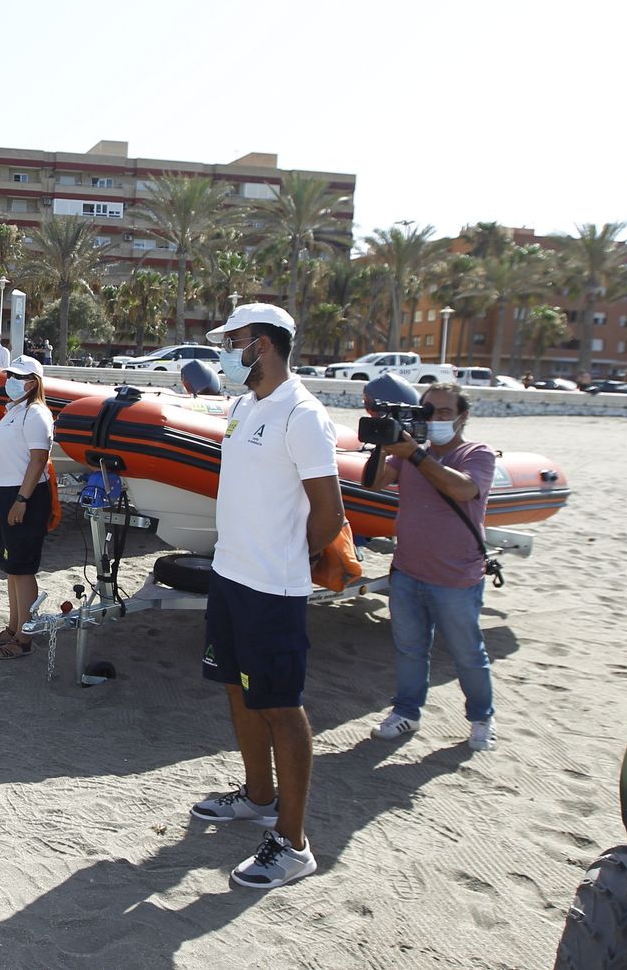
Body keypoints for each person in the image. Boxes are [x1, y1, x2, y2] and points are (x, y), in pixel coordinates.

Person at [189, 303, 344, 889]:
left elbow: (328, 513)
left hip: (272, 587)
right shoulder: (245, 406)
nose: (225, 353)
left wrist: (290, 558)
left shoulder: (302, 414)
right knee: (236, 687)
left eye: (234, 342)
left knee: (280, 705)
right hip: (231, 574)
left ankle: (293, 843)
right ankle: (258, 796)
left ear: (264, 345)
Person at [367, 382, 499, 750]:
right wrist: (383, 442)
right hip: (408, 571)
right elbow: (374, 483)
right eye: (429, 411)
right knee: (410, 649)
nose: (436, 418)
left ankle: (481, 718)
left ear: (462, 417)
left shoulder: (477, 453)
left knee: (467, 654)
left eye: (444, 412)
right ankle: (406, 712)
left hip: (456, 578)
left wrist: (413, 453)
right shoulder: (410, 454)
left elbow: (463, 489)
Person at [0, 355, 55, 660]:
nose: (11, 380)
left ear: (33, 382)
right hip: (3, 494)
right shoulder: (14, 411)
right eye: (9, 375)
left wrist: (21, 500)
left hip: (24, 495)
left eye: (18, 377)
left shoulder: (36, 414)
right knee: (11, 567)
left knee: (22, 568)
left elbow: (38, 460)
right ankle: (13, 628)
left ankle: (24, 639)